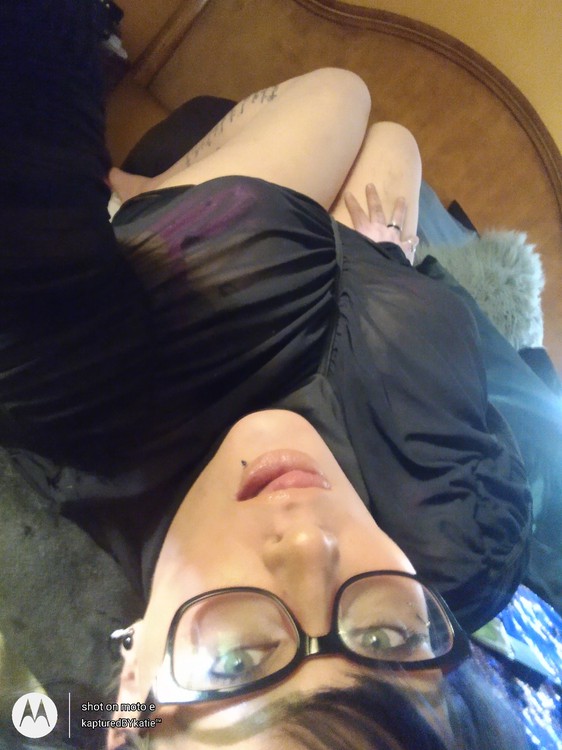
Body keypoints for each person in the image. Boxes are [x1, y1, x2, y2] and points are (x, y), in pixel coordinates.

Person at [1, 3, 533, 749]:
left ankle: (145, 196)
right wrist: (379, 255)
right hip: (360, 268)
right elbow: (432, 324)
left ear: (135, 680)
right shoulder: (467, 543)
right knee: (393, 140)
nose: (309, 541)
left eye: (238, 662)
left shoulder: (75, 395)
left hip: (218, 276)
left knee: (345, 97)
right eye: (386, 641)